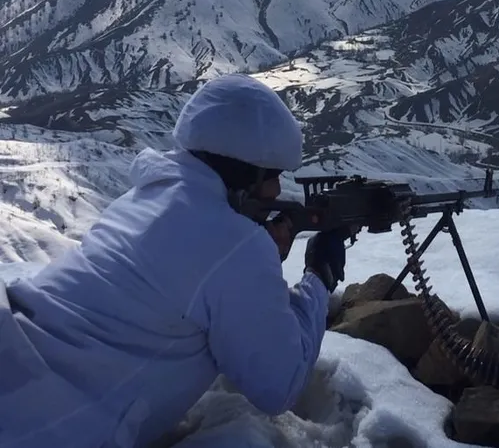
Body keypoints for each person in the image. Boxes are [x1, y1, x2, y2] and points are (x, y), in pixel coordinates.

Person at [0, 73, 348, 448]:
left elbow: (185, 275)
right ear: (244, 174)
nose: (277, 190)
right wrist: (319, 276)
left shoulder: (139, 199)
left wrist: (257, 258)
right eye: (273, 176)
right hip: (45, 427)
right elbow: (279, 385)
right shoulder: (235, 245)